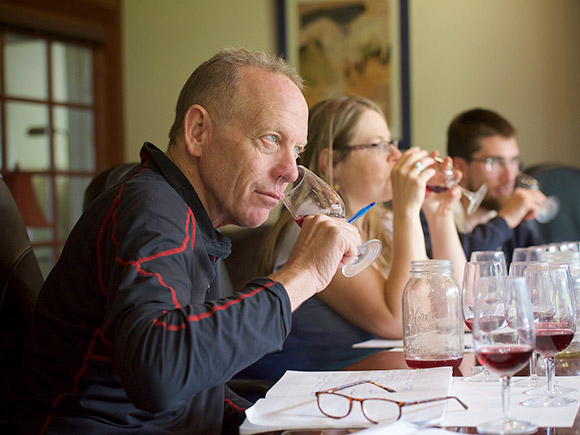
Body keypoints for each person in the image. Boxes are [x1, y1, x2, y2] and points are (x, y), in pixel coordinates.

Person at [11, 48, 363, 434]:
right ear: (198, 132)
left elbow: (198, 393)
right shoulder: (152, 208)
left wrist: (277, 422)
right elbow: (160, 372)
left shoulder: (192, 219)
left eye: (296, 150)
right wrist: (304, 274)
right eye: (270, 139)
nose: (290, 172)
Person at [235, 96, 466, 382]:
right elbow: (405, 323)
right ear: (332, 163)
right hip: (302, 395)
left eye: (391, 142)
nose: (395, 155)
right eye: (379, 145)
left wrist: (439, 214)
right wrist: (407, 209)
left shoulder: (382, 223)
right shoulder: (311, 231)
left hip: (364, 386)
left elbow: (455, 309)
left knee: (463, 361)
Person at [446, 108, 545, 264]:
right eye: (494, 162)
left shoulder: (515, 224)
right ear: (460, 167)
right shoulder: (434, 216)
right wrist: (505, 219)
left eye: (513, 161)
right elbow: (458, 266)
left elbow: (541, 271)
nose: (509, 176)